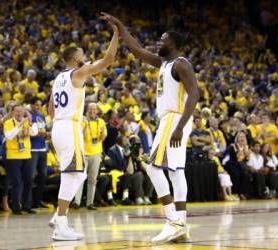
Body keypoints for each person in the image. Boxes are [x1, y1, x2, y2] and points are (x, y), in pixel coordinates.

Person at [101, 13, 199, 242]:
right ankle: (180, 223)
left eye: (163, 39)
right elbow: (136, 49)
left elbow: (194, 93)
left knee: (154, 168)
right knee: (176, 171)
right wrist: (120, 26)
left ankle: (172, 220)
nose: (158, 42)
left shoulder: (181, 63)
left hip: (175, 119)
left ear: (173, 44)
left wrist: (179, 126)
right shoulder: (164, 63)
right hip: (173, 120)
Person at [47, 17, 119, 241]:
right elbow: (108, 60)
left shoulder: (58, 78)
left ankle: (60, 218)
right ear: (73, 58)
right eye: (81, 52)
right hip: (69, 127)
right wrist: (117, 33)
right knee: (77, 173)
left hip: (58, 127)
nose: (84, 54)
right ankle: (60, 221)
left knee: (76, 173)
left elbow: (50, 109)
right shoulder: (77, 73)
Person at [4, 104, 38, 214]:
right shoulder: (8, 123)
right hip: (13, 156)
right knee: (16, 182)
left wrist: (31, 122)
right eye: (17, 111)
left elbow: (34, 132)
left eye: (21, 111)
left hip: (27, 155)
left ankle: (27, 205)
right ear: (13, 112)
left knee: (28, 181)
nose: (19, 113)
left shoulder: (27, 122)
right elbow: (9, 136)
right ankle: (16, 207)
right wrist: (20, 126)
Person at [73, 102, 107, 210]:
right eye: (90, 109)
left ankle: (90, 203)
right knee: (80, 178)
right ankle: (77, 202)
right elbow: (79, 136)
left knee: (92, 179)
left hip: (96, 154)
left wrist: (102, 133)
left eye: (94, 109)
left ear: (97, 111)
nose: (92, 111)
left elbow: (103, 137)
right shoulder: (83, 121)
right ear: (87, 110)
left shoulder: (101, 121)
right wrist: (85, 126)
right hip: (84, 154)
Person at [29, 97, 49, 208]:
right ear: (31, 105)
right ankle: (28, 201)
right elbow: (29, 133)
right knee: (31, 176)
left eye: (40, 104)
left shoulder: (42, 116)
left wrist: (46, 134)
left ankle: (38, 200)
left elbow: (43, 131)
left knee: (43, 175)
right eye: (36, 104)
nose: (38, 107)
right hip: (33, 149)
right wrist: (38, 134)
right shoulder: (28, 116)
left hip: (42, 149)